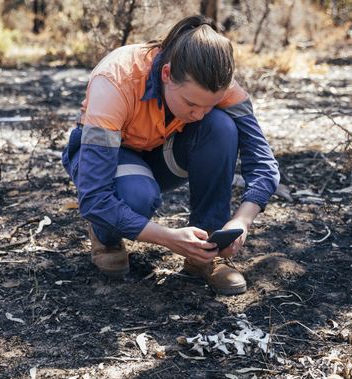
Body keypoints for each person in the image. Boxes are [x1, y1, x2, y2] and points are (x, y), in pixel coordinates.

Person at [61, 15, 280, 295]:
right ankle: (106, 237)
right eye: (191, 103)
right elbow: (94, 197)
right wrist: (168, 239)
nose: (198, 114)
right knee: (137, 196)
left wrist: (241, 221)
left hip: (158, 151)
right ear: (166, 74)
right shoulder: (115, 81)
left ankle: (205, 249)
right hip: (109, 157)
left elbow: (263, 162)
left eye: (209, 104)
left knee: (221, 126)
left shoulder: (217, 84)